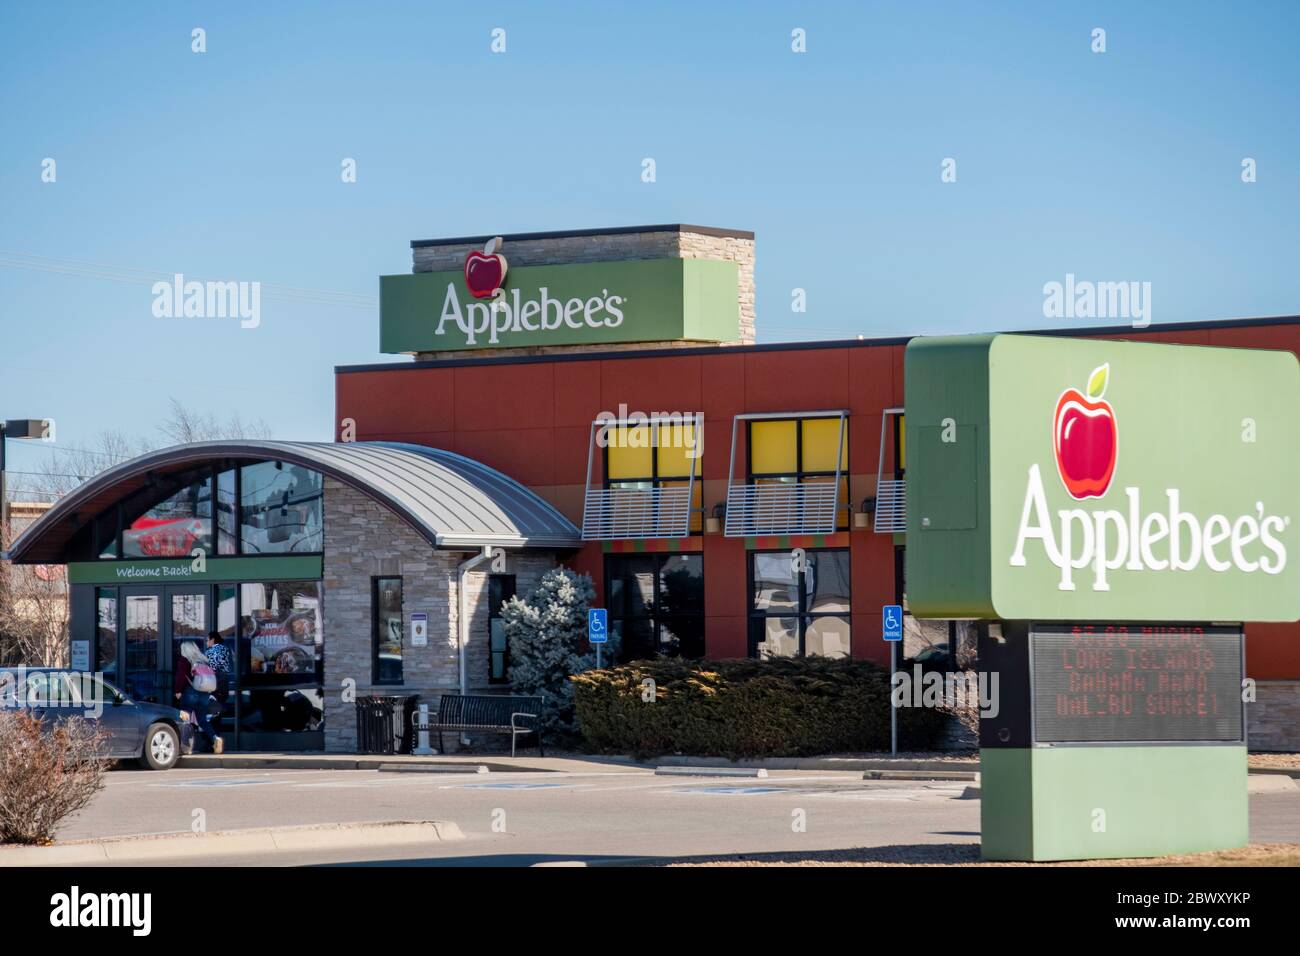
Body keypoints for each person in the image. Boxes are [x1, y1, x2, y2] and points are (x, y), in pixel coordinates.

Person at [174, 641, 223, 754]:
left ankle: (186, 748)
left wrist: (178, 691)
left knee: (184, 720)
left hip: (190, 692)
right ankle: (215, 738)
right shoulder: (204, 660)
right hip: (204, 694)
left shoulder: (185, 660)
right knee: (202, 720)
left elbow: (180, 676)